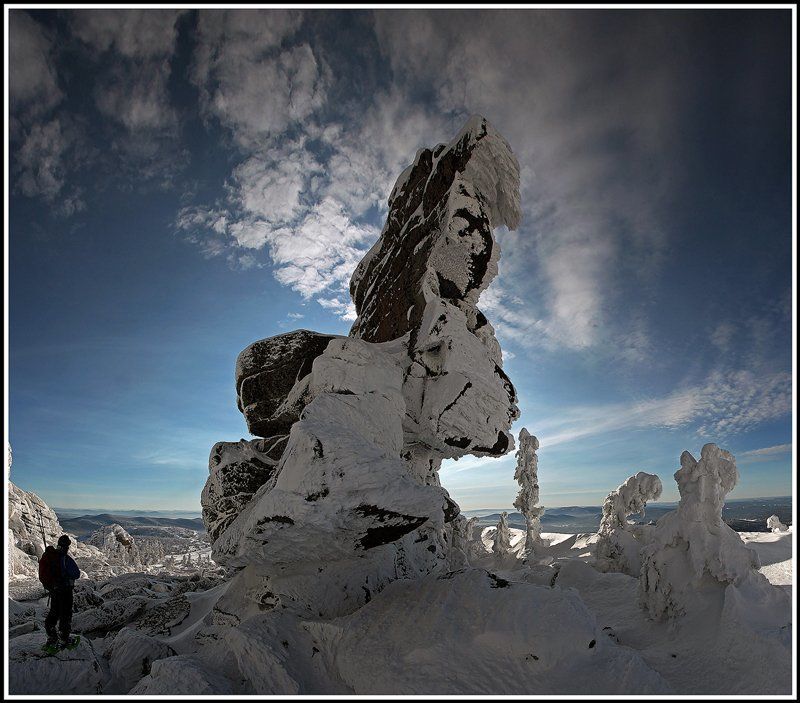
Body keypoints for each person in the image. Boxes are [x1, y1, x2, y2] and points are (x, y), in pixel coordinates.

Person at [42, 534, 81, 648]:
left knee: (54, 611)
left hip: (53, 590)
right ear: (67, 546)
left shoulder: (49, 556)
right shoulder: (65, 559)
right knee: (65, 614)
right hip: (65, 590)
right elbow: (76, 574)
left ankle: (51, 636)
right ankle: (64, 638)